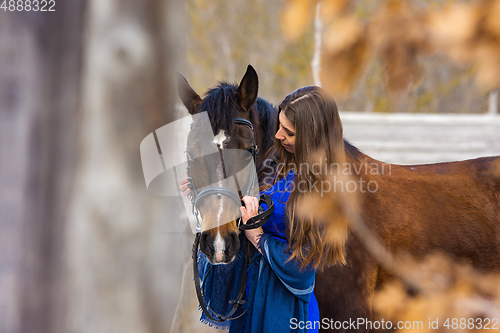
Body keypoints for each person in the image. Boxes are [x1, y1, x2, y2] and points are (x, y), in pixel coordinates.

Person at [180, 86, 345, 332]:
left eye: (287, 132)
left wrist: (258, 237)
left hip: (285, 312)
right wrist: (204, 188)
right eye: (278, 125)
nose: (277, 135)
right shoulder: (269, 170)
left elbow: (302, 269)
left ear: (312, 136)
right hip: (252, 300)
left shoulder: (321, 189)